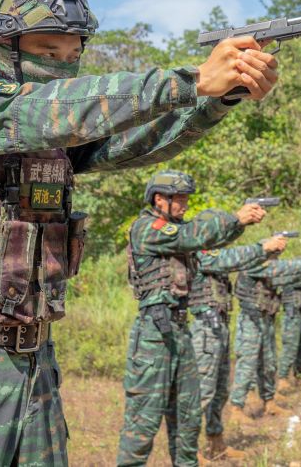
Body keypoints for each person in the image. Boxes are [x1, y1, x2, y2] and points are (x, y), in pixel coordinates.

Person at [0, 0, 279, 466]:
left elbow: (139, 140)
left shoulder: (54, 137)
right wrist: (190, 80)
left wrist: (221, 97)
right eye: (49, 48)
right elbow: (56, 109)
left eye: (72, 54)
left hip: (34, 366)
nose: (63, 64)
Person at [117, 173, 269, 466]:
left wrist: (239, 224)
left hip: (179, 331)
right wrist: (235, 218)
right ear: (159, 199)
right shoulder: (148, 228)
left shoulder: (176, 230)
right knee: (143, 423)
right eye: (180, 199)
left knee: (187, 420)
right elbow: (193, 235)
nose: (185, 204)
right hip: (153, 335)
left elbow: (209, 239)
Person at [190, 229, 288, 461]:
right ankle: (189, 452)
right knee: (201, 392)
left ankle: (216, 443)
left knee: (220, 390)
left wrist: (265, 250)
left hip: (218, 326)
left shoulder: (214, 255)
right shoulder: (199, 254)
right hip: (204, 330)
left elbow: (237, 259)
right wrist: (262, 248)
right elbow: (230, 260)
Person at [227, 256, 301, 422]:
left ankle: (269, 402)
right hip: (251, 319)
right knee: (247, 363)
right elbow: (277, 269)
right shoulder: (254, 262)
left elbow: (286, 277)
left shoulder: (269, 269)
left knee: (269, 363)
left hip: (266, 318)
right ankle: (237, 407)